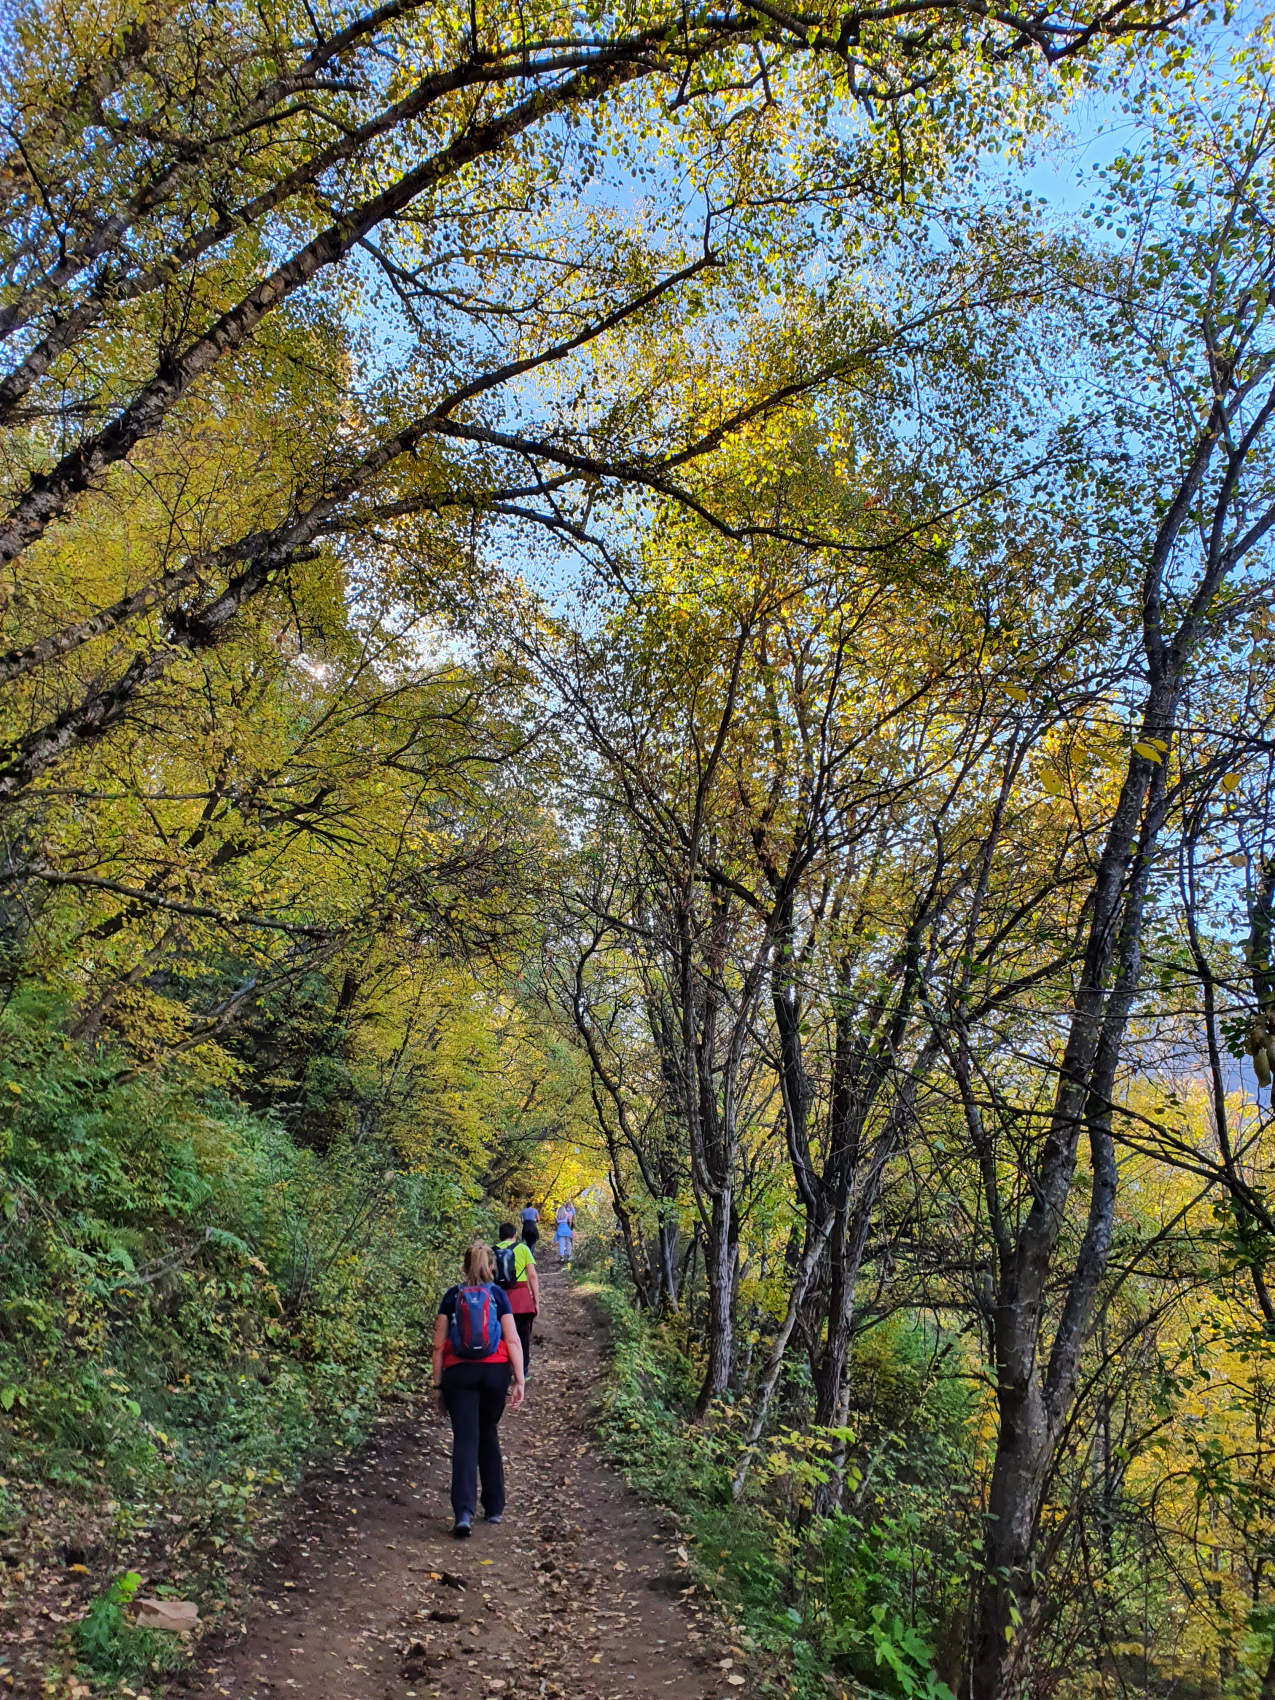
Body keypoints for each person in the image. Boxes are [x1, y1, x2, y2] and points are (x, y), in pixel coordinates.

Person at [432, 1242, 525, 1539]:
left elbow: (437, 1345)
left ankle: (463, 1513)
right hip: (494, 1373)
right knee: (488, 1432)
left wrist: (437, 1384)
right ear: (491, 1267)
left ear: (464, 1265)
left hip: (458, 1374)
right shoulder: (498, 1295)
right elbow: (512, 1341)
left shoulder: (451, 1296)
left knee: (465, 1439)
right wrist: (519, 1380)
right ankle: (494, 1507)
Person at [494, 1219, 539, 1379]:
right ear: (515, 1234)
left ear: (500, 1237)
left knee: (500, 1336)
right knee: (522, 1334)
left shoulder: (491, 1251)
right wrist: (535, 1300)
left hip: (498, 1297)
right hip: (520, 1297)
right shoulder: (523, 1248)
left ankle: (503, 1371)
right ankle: (523, 1369)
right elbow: (532, 1276)